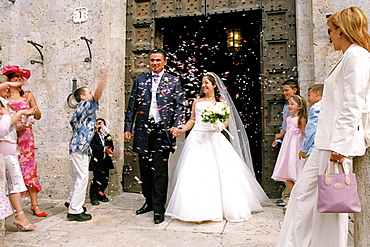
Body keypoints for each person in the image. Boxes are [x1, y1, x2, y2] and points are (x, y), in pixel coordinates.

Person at [276, 7, 370, 247]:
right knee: (302, 194)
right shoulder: (348, 56)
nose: (328, 36)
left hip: (337, 144)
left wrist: (340, 144)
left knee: (332, 206)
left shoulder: (357, 55)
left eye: (329, 30)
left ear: (341, 30)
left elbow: (354, 103)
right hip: (325, 141)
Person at [165, 72, 271, 223]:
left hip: (213, 138)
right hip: (197, 138)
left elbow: (226, 122)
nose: (204, 85)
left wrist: (219, 124)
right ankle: (196, 211)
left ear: (214, 85)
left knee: (217, 174)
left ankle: (218, 209)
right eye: (202, 83)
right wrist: (181, 129)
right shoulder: (197, 101)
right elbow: (192, 120)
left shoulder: (221, 104)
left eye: (207, 82)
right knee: (195, 174)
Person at [124, 48, 184, 224]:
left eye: (158, 60)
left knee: (159, 170)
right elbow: (132, 105)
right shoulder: (140, 80)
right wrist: (128, 127)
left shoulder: (174, 80)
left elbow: (179, 105)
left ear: (165, 62)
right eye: (152, 60)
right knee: (144, 168)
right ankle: (148, 202)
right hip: (143, 130)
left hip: (161, 131)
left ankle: (159, 208)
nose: (155, 63)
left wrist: (175, 125)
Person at [1, 65, 46, 217]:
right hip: (10, 137)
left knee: (30, 170)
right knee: (12, 172)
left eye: (21, 77)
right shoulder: (3, 98)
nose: (19, 79)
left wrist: (35, 110)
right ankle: (14, 208)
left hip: (26, 139)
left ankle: (34, 205)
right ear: (9, 80)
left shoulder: (28, 95)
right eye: (15, 77)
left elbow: (38, 116)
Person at [66, 74, 106, 221]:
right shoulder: (85, 105)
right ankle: (75, 210)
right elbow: (96, 96)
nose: (91, 94)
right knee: (82, 177)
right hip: (80, 146)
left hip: (76, 146)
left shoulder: (80, 109)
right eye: (88, 92)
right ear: (83, 96)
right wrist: (102, 81)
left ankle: (71, 201)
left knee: (77, 176)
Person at [0, 74, 36, 230]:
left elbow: (10, 126)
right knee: (14, 180)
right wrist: (20, 114)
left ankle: (19, 215)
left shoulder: (4, 103)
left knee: (15, 179)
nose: (8, 89)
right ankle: (19, 216)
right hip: (3, 144)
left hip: (9, 143)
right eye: (6, 87)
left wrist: (24, 124)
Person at [271, 95, 307, 191]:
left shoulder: (301, 119)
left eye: (292, 104)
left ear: (300, 107)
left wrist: (306, 147)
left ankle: (299, 194)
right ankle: (293, 194)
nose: (289, 106)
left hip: (296, 146)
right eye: (289, 104)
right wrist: (281, 134)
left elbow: (304, 134)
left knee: (295, 168)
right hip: (288, 146)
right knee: (286, 170)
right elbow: (288, 130)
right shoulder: (288, 118)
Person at [272, 79, 298, 207]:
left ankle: (289, 196)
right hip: (288, 139)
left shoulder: (298, 105)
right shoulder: (286, 106)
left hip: (295, 140)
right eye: (283, 90)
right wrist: (279, 137)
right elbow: (285, 123)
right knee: (287, 166)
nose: (284, 93)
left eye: (286, 90)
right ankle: (288, 195)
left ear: (295, 90)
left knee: (292, 167)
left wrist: (280, 135)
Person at [88, 118, 114, 206]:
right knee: (97, 179)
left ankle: (101, 194)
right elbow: (93, 146)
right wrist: (104, 149)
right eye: (99, 124)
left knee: (105, 179)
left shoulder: (107, 136)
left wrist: (110, 149)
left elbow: (111, 145)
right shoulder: (93, 135)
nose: (100, 126)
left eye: (102, 124)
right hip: (97, 161)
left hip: (105, 161)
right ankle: (93, 196)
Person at [298, 84, 323, 160]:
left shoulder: (316, 107)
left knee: (307, 171)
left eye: (309, 95)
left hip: (315, 147)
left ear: (317, 93)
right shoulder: (329, 106)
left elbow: (312, 129)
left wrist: (305, 148)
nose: (308, 100)